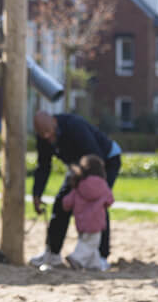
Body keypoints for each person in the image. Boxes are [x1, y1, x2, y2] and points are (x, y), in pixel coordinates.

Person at [30, 111, 121, 270]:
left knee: (96, 204)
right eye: (46, 138)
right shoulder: (44, 137)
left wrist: (85, 187)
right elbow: (43, 166)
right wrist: (37, 193)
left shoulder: (75, 126)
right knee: (61, 203)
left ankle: (100, 257)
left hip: (104, 161)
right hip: (77, 167)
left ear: (54, 122)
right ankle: (53, 253)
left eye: (52, 135)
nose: (50, 139)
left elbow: (95, 157)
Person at [62, 155, 114, 270]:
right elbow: (110, 200)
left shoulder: (79, 184)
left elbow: (68, 201)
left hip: (81, 222)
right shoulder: (102, 185)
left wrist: (66, 206)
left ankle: (95, 266)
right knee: (90, 244)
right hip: (96, 221)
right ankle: (76, 258)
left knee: (89, 243)